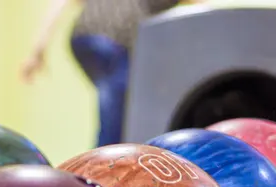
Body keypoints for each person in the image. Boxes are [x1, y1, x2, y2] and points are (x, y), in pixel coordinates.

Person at [21, 0, 197, 147]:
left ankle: (106, 158)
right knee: (118, 100)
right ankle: (104, 164)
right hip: (110, 39)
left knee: (118, 99)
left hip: (83, 38)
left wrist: (38, 49)